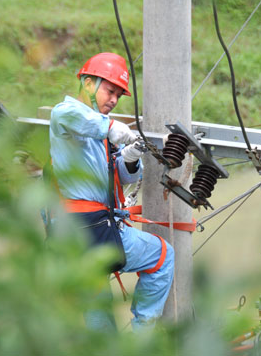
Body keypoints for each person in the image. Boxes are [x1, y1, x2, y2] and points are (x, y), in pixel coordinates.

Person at [48, 52, 174, 332]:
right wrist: (114, 128)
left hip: (73, 232)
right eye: (109, 90)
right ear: (88, 83)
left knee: (97, 307)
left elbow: (121, 174)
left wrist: (129, 157)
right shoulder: (67, 115)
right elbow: (72, 117)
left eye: (118, 94)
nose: (114, 99)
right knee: (163, 256)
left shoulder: (96, 131)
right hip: (90, 226)